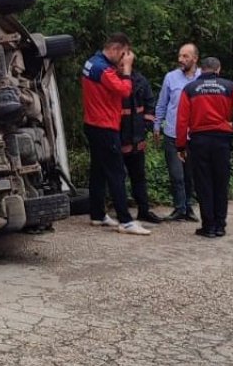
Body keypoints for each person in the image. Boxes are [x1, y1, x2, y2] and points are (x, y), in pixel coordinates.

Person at [175, 57, 233, 239]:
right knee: (220, 182)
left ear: (201, 69)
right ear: (218, 69)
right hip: (222, 140)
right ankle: (220, 226)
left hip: (199, 141)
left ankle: (208, 227)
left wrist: (180, 146)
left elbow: (181, 120)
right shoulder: (228, 86)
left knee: (204, 184)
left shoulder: (190, 89)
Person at [81, 33, 150, 236]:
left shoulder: (92, 62)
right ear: (114, 49)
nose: (123, 59)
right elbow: (125, 90)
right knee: (116, 173)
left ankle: (97, 214)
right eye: (123, 55)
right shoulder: (104, 70)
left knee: (98, 171)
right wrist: (127, 69)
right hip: (105, 126)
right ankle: (126, 221)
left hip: (92, 124)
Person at [153, 43, 201, 222]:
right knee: (176, 174)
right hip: (172, 133)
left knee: (190, 175)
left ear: (195, 58)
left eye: (185, 56)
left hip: (194, 135)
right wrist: (157, 125)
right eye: (180, 56)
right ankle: (179, 208)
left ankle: (188, 208)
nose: (181, 59)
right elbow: (162, 103)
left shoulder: (203, 78)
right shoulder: (171, 77)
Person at [119, 53, 164, 225]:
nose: (122, 66)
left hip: (137, 138)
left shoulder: (141, 81)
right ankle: (122, 213)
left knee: (139, 177)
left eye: (125, 63)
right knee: (118, 178)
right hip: (118, 138)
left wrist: (145, 127)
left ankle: (143, 211)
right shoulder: (113, 81)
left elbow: (149, 105)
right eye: (120, 64)